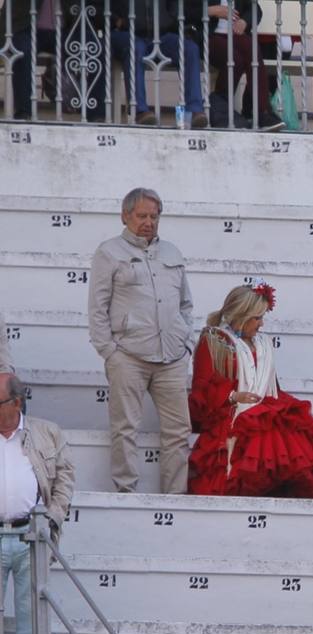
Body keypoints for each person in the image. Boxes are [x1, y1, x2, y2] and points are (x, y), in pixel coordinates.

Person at [187, 283, 313, 498]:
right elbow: (203, 388)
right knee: (266, 429)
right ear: (241, 315)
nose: (261, 324)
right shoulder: (215, 341)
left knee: (284, 427)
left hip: (262, 406)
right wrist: (233, 396)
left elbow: (271, 385)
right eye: (257, 318)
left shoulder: (263, 343)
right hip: (230, 412)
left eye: (262, 317)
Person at [88, 187, 193, 494]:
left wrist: (185, 342)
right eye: (142, 216)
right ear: (125, 216)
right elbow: (97, 308)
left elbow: (186, 304)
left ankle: (175, 496)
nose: (148, 222)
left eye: (154, 216)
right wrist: (110, 353)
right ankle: (126, 492)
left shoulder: (172, 253)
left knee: (178, 431)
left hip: (172, 358)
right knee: (125, 428)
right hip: (128, 357)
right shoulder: (108, 253)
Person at [0, 373, 75, 634]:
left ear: (17, 402)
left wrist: (53, 520)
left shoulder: (47, 432)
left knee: (30, 614)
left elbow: (64, 480)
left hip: (30, 534)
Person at [108, 0, 209, 127]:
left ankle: (193, 111)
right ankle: (140, 110)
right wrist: (117, 20)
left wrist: (168, 20)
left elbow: (176, 9)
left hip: (161, 35)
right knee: (136, 47)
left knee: (190, 49)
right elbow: (101, 6)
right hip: (126, 33)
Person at [205, 0, 285, 130]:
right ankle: (222, 107)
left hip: (235, 34)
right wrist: (211, 11)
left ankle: (263, 112)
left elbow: (255, 9)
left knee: (252, 48)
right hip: (208, 35)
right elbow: (186, 9)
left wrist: (244, 21)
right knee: (235, 59)